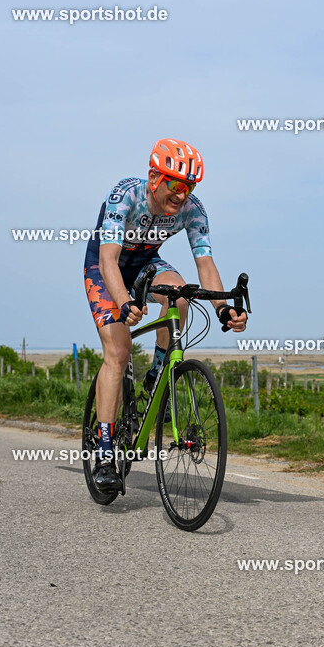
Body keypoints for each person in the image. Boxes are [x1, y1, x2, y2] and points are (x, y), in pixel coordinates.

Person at [84, 138, 247, 490]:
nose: (182, 195)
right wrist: (125, 302)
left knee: (180, 294)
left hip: (146, 264)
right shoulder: (124, 197)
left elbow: (205, 264)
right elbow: (107, 260)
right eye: (175, 185)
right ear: (155, 178)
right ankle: (107, 451)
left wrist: (223, 310)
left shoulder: (194, 210)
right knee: (118, 352)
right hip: (105, 269)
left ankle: (158, 373)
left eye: (189, 187)